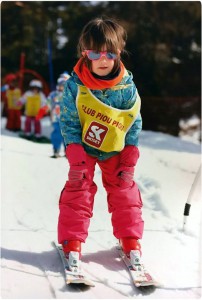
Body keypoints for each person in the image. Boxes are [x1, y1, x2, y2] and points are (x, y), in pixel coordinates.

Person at [58, 17, 143, 269]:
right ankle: (72, 241)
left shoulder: (126, 86)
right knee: (78, 189)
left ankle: (130, 239)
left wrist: (130, 151)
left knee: (124, 189)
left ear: (119, 52)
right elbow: (69, 119)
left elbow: (133, 120)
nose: (102, 60)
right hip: (84, 148)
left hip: (115, 147)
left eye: (109, 53)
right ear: (85, 54)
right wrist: (73, 148)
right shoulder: (76, 86)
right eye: (95, 53)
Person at [36, 73, 70, 157]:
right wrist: (42, 112)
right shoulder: (53, 95)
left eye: (65, 85)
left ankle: (68, 152)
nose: (62, 86)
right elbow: (47, 104)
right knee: (57, 134)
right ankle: (56, 150)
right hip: (56, 119)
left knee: (68, 136)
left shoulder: (71, 95)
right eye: (61, 84)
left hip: (69, 120)